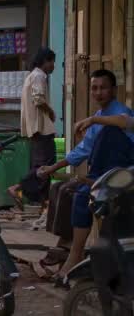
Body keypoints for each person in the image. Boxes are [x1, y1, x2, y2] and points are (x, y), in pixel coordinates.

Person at [38, 69, 134, 285]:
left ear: (113, 90)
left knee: (82, 193)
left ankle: (75, 254)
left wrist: (92, 120)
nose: (98, 92)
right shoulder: (99, 118)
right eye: (94, 88)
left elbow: (125, 121)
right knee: (60, 189)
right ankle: (66, 245)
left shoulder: (118, 114)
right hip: (101, 173)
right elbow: (82, 151)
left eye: (103, 88)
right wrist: (53, 168)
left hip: (122, 174)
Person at [7, 48, 57, 210]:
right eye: (51, 62)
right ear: (45, 61)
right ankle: (17, 187)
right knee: (45, 167)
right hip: (41, 128)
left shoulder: (32, 76)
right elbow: (38, 99)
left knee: (41, 166)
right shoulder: (39, 76)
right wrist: (51, 112)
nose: (53, 66)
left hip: (36, 129)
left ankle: (44, 203)